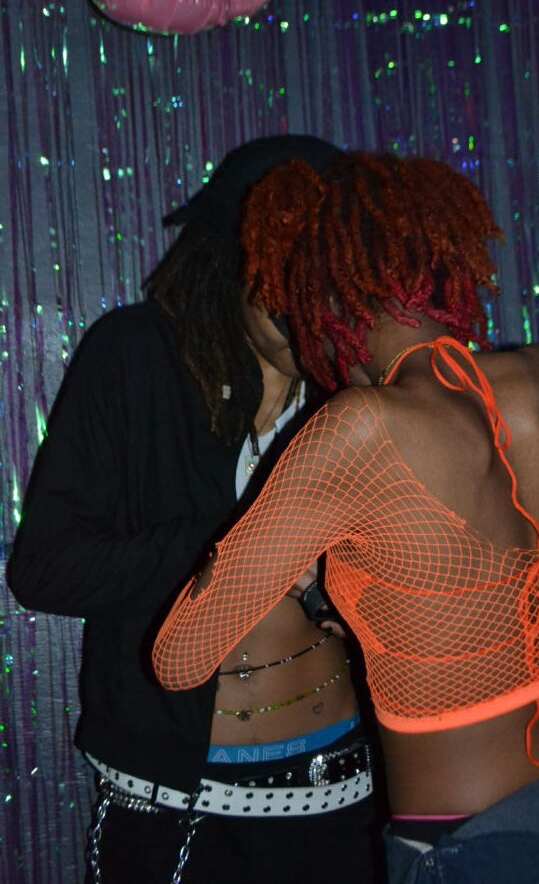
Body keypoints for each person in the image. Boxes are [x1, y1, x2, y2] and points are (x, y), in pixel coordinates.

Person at [153, 151, 539, 883]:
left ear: (323, 299)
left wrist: (280, 555)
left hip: (485, 847)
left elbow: (179, 660)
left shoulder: (359, 428)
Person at [7, 136, 381, 884]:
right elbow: (45, 568)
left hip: (342, 786)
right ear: (234, 259)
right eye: (286, 284)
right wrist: (236, 546)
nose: (311, 316)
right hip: (175, 794)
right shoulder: (136, 355)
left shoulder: (353, 391)